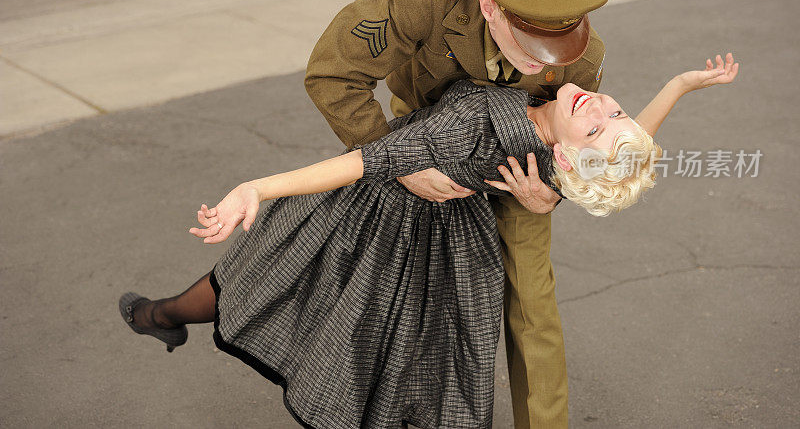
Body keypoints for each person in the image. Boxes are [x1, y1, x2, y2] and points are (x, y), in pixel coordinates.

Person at [118, 55, 739, 428]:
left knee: (376, 348)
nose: (601, 105)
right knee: (269, 287)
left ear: (568, 163)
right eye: (614, 110)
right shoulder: (563, 150)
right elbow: (622, 150)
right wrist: (681, 85)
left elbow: (368, 160)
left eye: (598, 124)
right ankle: (162, 315)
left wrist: (257, 186)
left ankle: (160, 314)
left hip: (388, 221)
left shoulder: (477, 128)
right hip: (415, 226)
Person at [304, 0, 610, 428]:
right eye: (531, 45)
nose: (545, 62)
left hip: (520, 169)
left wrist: (549, 195)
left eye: (559, 48)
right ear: (489, 8)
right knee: (390, 287)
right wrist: (397, 159)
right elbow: (334, 73)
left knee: (533, 303)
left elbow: (582, 146)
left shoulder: (584, 54)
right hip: (425, 141)